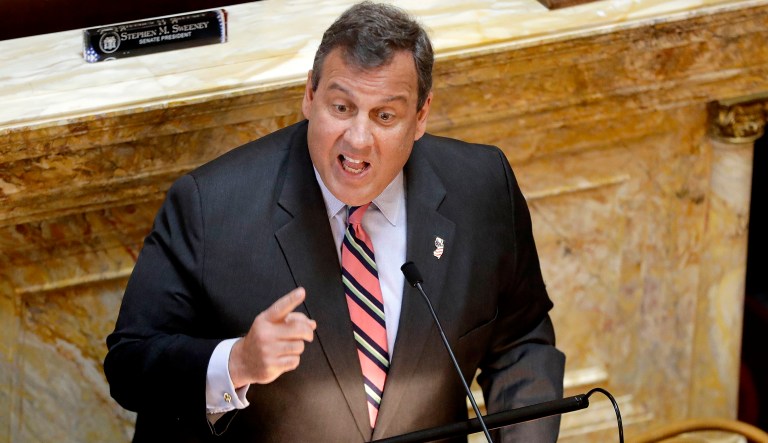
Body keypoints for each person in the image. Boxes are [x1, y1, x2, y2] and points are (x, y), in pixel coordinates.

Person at [104, 2, 565, 442]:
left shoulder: (481, 187)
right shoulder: (210, 204)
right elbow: (130, 364)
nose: (358, 140)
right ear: (309, 95)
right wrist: (237, 361)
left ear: (421, 116)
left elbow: (521, 340)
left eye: (385, 115)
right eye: (341, 108)